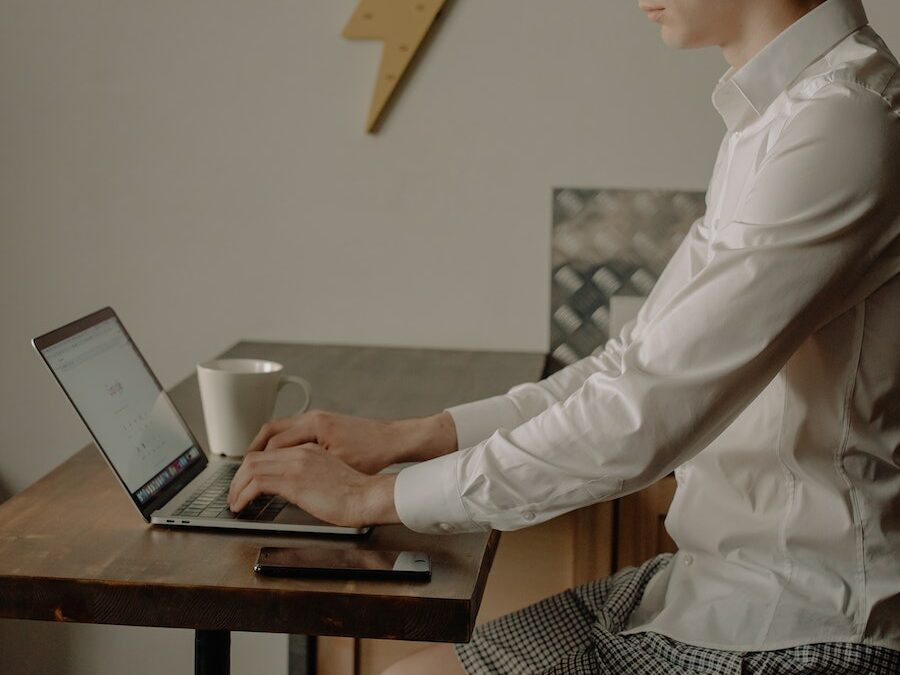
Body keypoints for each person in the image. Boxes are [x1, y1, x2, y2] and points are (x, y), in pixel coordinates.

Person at [228, 0, 900, 672]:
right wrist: (409, 436)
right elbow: (629, 363)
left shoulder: (844, 121)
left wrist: (372, 497)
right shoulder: (779, 118)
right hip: (708, 591)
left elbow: (641, 415)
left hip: (800, 627)